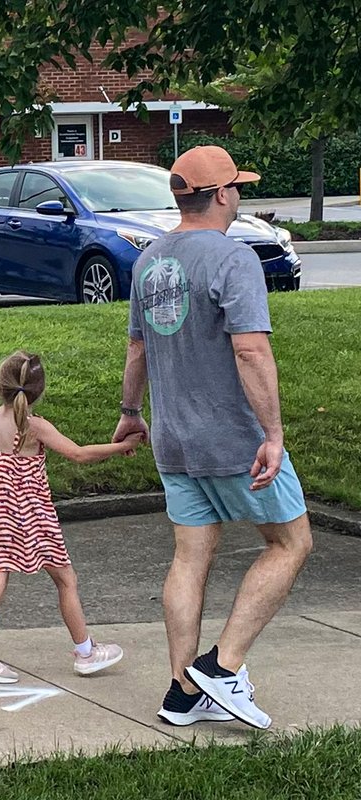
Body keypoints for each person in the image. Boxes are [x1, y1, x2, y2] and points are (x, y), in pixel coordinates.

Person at [115, 145, 312, 730]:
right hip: (234, 439)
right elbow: (250, 348)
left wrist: (131, 409)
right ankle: (222, 668)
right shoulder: (234, 258)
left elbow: (138, 347)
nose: (239, 195)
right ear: (222, 194)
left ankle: (181, 693)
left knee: (189, 558)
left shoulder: (149, 259)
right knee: (291, 543)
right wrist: (272, 434)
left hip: (173, 438)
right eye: (238, 187)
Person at [0, 351, 138, 684]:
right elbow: (78, 454)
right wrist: (121, 447)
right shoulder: (34, 426)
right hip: (30, 512)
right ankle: (85, 652)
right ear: (38, 391)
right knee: (65, 579)